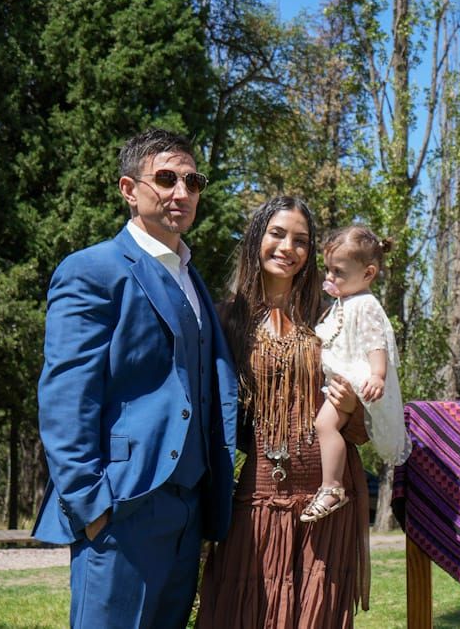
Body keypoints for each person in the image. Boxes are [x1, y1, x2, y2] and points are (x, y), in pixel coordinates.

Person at [33, 128, 239, 627]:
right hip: (121, 508)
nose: (182, 192)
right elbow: (66, 398)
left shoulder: (191, 277)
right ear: (129, 189)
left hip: (189, 510)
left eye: (193, 181)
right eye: (166, 178)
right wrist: (92, 504)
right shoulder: (93, 270)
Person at [196, 197, 371, 628]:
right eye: (278, 234)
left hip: (327, 495)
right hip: (259, 489)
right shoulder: (225, 318)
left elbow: (367, 406)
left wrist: (350, 407)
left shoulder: (330, 318)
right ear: (257, 237)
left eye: (301, 241)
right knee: (242, 607)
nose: (288, 247)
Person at [303, 225, 410, 522]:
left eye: (338, 271)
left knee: (325, 425)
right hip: (342, 376)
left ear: (368, 274)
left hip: (355, 376)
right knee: (325, 425)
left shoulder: (365, 304)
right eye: (328, 269)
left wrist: (377, 374)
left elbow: (376, 342)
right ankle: (330, 484)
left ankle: (332, 486)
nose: (329, 277)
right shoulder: (344, 303)